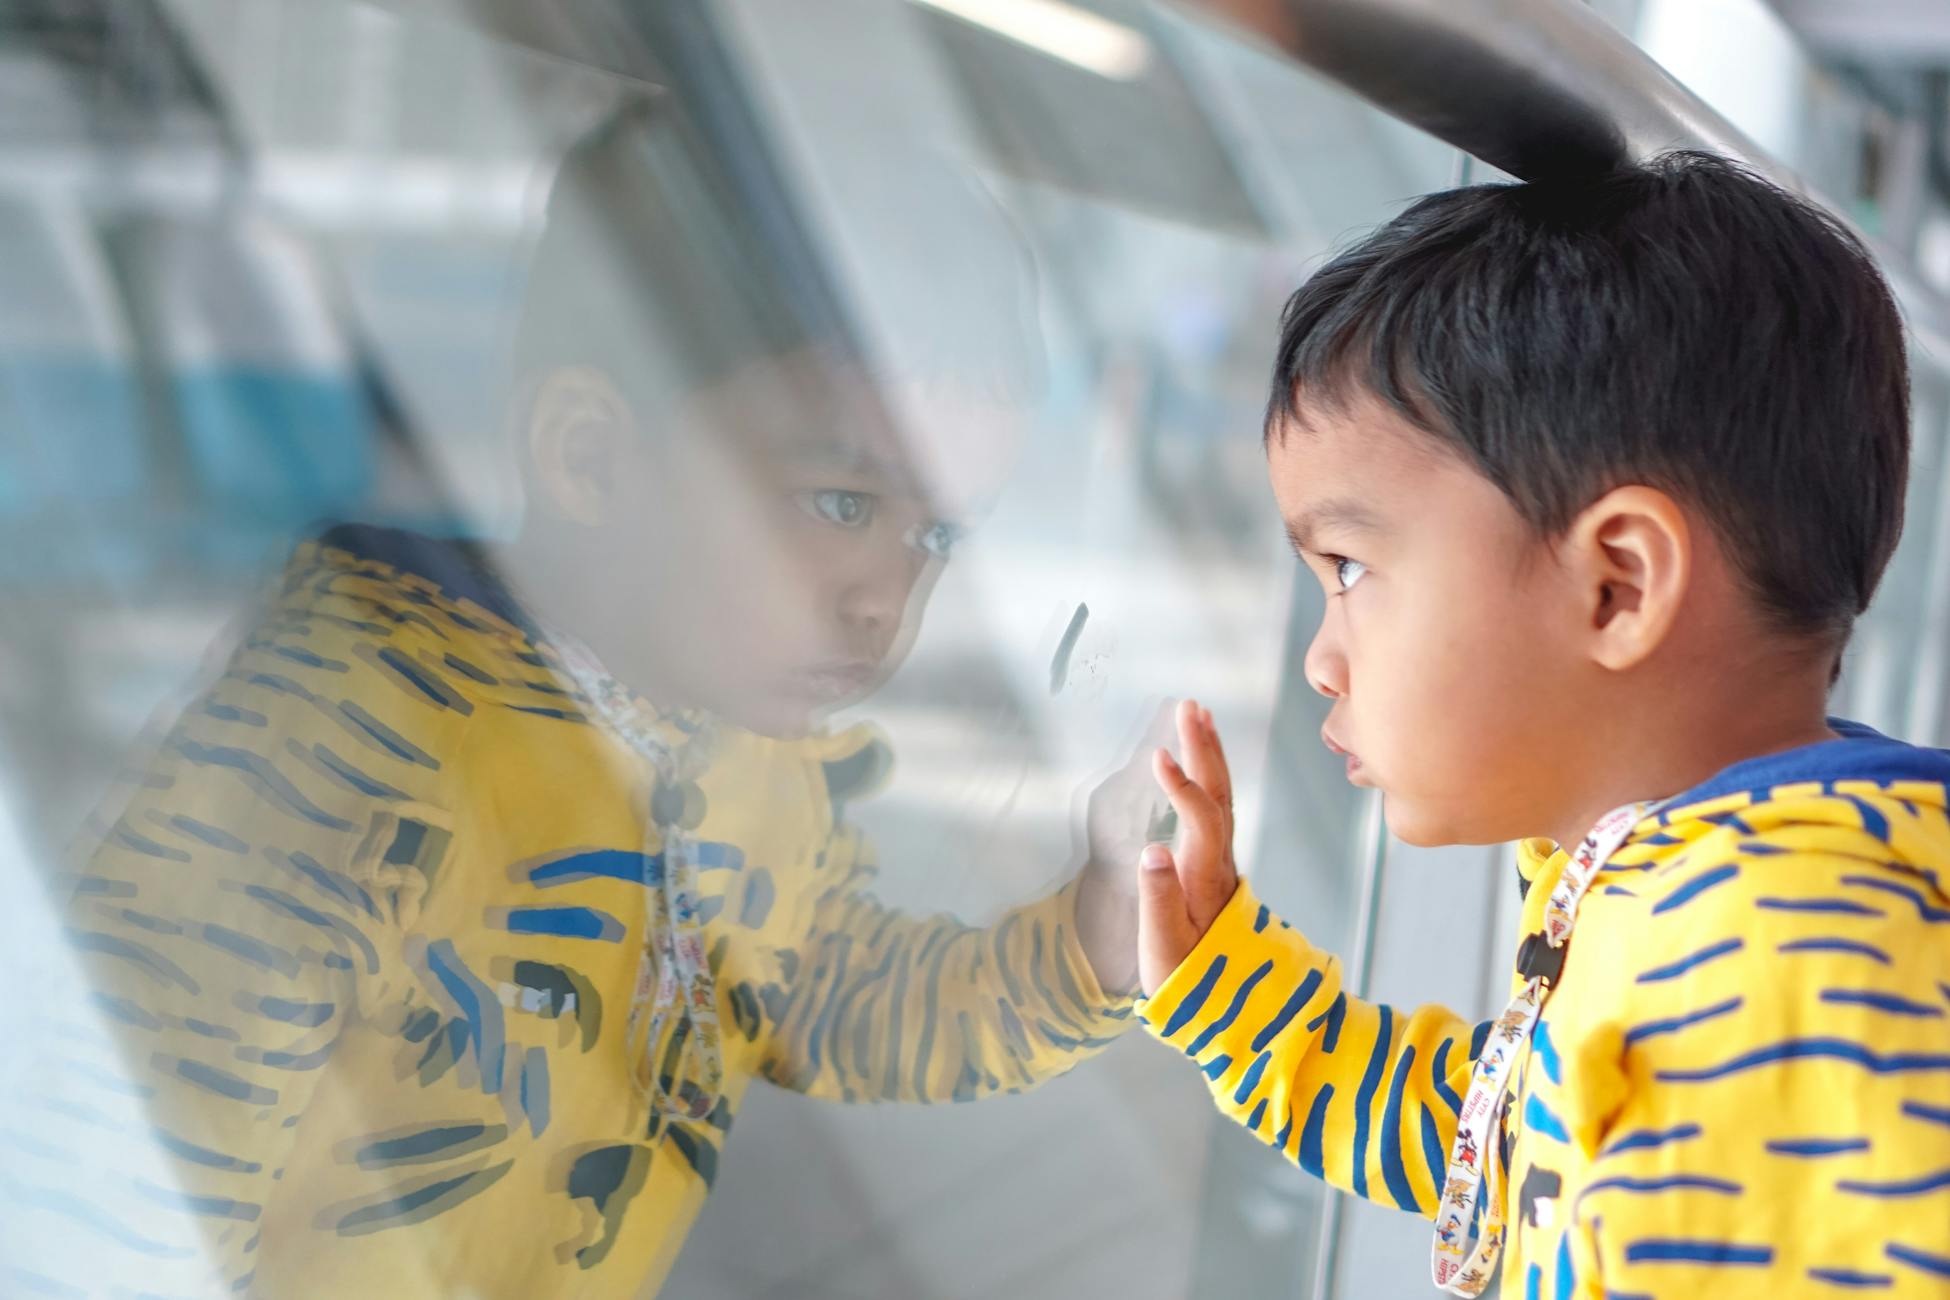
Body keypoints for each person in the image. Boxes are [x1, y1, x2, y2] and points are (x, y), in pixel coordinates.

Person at [32, 104, 1150, 1297]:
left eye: (936, 530)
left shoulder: (746, 762)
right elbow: (126, 1159)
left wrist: (1089, 943)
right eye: (839, 506)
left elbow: (829, 1001)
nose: (890, 595)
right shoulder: (344, 745)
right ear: (589, 456)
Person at [1132, 151, 1950, 1298]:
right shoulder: (1687, 886)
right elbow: (1509, 1147)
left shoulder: (1785, 976)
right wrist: (1238, 990)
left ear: (1617, 584)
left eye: (1352, 566)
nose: (1321, 659)